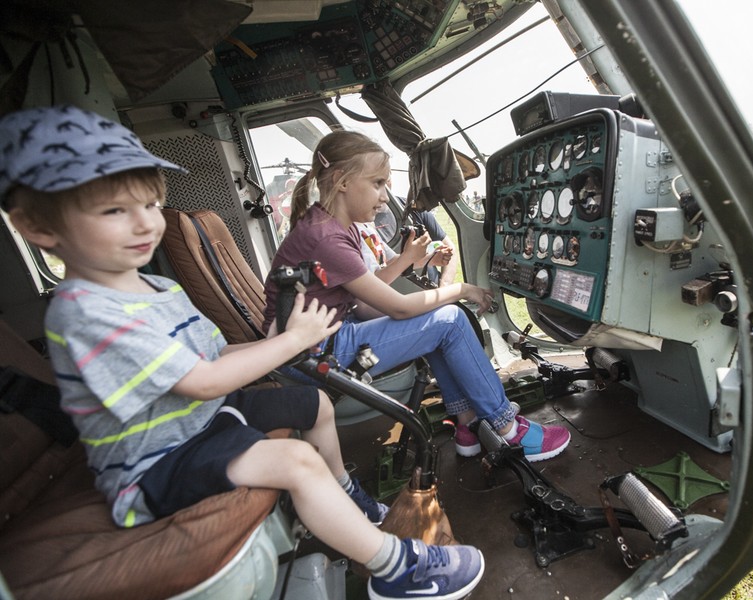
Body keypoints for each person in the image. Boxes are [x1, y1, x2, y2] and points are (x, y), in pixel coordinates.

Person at [0, 105, 484, 600]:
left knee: (313, 405)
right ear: (39, 229)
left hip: (197, 419)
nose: (145, 224)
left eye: (149, 205)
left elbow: (215, 355)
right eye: (113, 211)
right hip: (155, 463)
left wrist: (278, 343)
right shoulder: (85, 310)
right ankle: (395, 567)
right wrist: (291, 343)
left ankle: (345, 497)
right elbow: (204, 380)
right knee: (295, 460)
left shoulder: (152, 287)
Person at [264, 129, 571, 462]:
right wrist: (463, 289)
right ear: (341, 181)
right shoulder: (327, 237)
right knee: (450, 320)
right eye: (377, 183)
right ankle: (508, 428)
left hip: (317, 340)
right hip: (314, 352)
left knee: (434, 324)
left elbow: (368, 290)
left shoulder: (333, 226)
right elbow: (398, 308)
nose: (384, 196)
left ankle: (467, 424)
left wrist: (406, 261)